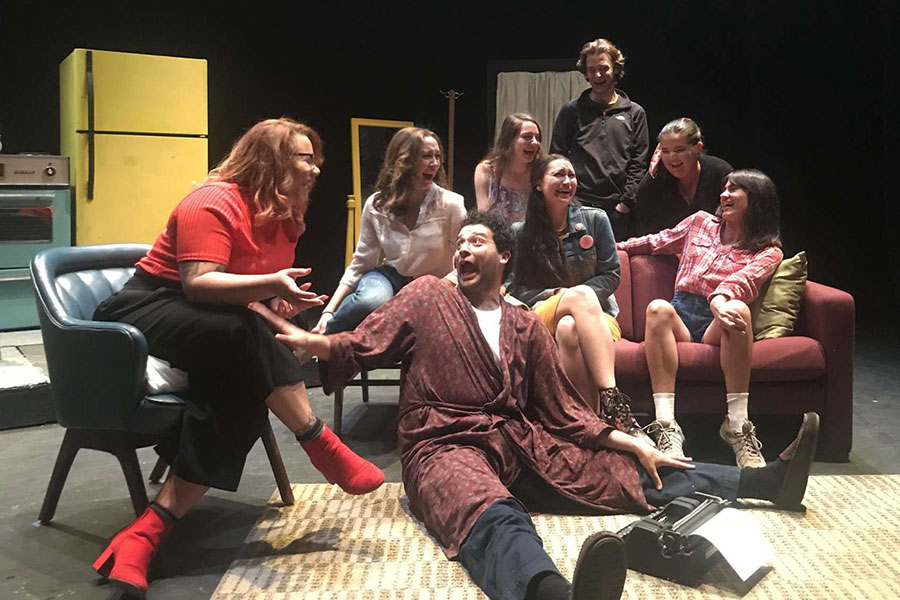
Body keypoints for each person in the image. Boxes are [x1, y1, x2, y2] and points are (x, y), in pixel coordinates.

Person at [255, 210, 819, 600]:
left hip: (519, 438)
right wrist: (319, 344)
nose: (463, 251)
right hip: (441, 444)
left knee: (635, 470)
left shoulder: (525, 324)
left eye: (476, 242)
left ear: (503, 255)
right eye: (460, 244)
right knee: (491, 512)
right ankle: (554, 594)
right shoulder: (427, 297)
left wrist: (628, 439)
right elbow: (363, 342)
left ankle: (767, 484)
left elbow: (560, 410)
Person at [89, 118, 385, 596]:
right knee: (243, 331)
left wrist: (278, 305)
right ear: (268, 160)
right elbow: (198, 283)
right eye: (304, 159)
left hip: (212, 320)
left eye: (316, 160)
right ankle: (317, 440)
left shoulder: (285, 214)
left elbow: (248, 290)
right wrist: (268, 290)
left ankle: (146, 533)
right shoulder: (213, 200)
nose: (314, 170)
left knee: (242, 387)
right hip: (146, 306)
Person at [617, 170, 784, 469]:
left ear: (756, 199)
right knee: (657, 308)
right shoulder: (699, 223)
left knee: (739, 310)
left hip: (717, 322)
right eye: (724, 189)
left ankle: (737, 425)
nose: (725, 195)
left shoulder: (768, 251)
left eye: (735, 190)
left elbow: (745, 281)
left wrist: (720, 299)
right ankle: (666, 424)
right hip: (680, 313)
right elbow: (658, 241)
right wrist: (614, 248)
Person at [508, 155, 649, 446]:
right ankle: (613, 401)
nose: (567, 182)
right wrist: (556, 296)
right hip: (543, 312)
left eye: (571, 175)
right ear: (538, 184)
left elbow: (611, 275)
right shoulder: (520, 232)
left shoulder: (595, 220)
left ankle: (586, 424)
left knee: (570, 329)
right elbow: (513, 286)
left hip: (597, 317)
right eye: (558, 175)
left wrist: (575, 298)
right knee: (578, 299)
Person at [313, 127, 466, 334]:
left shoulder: (451, 204)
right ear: (404, 161)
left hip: (433, 287)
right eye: (426, 156)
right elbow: (361, 263)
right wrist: (328, 312)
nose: (435, 163)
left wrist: (441, 287)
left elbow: (465, 261)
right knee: (371, 300)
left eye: (438, 156)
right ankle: (321, 343)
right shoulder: (376, 204)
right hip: (390, 278)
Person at [550, 38, 649, 242]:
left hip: (618, 212)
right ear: (585, 73)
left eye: (603, 68)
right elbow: (556, 157)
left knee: (616, 271)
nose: (597, 75)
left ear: (615, 68)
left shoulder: (634, 112)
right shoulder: (571, 111)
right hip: (577, 207)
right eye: (591, 69)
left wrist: (625, 205)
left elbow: (638, 163)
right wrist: (568, 202)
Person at [634, 118, 734, 236]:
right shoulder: (654, 180)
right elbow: (646, 232)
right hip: (665, 249)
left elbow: (734, 221)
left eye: (679, 150)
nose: (672, 157)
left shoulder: (720, 172)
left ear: (698, 148)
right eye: (665, 151)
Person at [474, 112, 542, 224]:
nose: (535, 143)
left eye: (538, 138)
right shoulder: (486, 170)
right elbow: (483, 217)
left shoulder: (540, 172)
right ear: (509, 140)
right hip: (496, 238)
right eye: (527, 137)